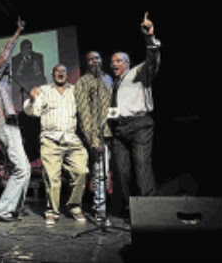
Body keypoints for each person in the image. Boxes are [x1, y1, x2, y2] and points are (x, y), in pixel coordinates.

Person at [24, 64, 88, 225]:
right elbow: (33, 112)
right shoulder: (44, 90)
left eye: (63, 71)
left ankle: (74, 206)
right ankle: (52, 210)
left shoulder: (75, 90)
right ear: (52, 75)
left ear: (67, 74)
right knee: (52, 178)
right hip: (50, 139)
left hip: (72, 139)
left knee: (81, 171)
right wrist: (32, 99)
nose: (60, 73)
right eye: (57, 71)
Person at [0, 19, 31, 222]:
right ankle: (3, 210)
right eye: (4, 63)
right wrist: (17, 32)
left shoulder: (0, 82)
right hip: (3, 125)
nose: (7, 65)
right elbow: (5, 54)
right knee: (21, 168)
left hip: (11, 125)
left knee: (24, 168)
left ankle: (13, 208)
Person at [109, 12, 161, 208]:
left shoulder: (139, 72)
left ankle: (150, 209)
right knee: (121, 171)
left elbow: (153, 59)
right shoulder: (114, 83)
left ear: (128, 62)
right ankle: (129, 208)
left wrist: (149, 37)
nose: (114, 64)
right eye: (112, 61)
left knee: (142, 166)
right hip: (119, 129)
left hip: (139, 125)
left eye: (118, 61)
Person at [75, 51, 113, 222]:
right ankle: (100, 209)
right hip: (98, 134)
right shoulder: (83, 82)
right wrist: (92, 138)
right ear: (86, 63)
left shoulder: (108, 79)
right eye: (90, 59)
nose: (94, 61)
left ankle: (114, 207)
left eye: (96, 58)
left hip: (116, 132)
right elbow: (84, 114)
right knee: (100, 172)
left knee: (114, 173)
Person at [11, 39, 46, 108]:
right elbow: (15, 76)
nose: (27, 50)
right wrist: (19, 69)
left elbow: (41, 74)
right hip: (22, 82)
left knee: (42, 82)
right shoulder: (15, 59)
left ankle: (40, 105)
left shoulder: (38, 57)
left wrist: (37, 70)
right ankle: (19, 107)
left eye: (29, 48)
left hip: (35, 81)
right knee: (16, 86)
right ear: (21, 50)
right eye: (25, 48)